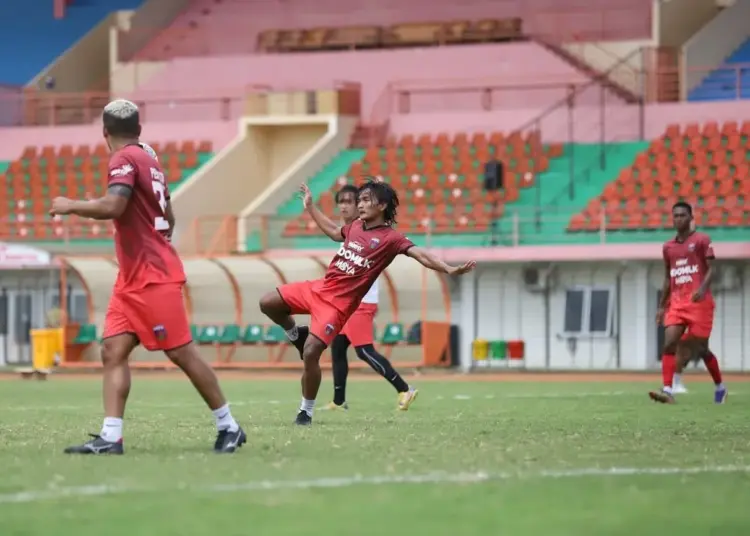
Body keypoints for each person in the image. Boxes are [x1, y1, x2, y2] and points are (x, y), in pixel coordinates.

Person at [50, 99, 246, 454]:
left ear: (104, 133)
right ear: (139, 130)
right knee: (113, 349)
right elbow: (168, 216)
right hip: (133, 277)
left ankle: (229, 425)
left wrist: (70, 205)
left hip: (152, 277)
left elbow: (114, 206)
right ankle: (111, 437)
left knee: (181, 353)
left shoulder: (123, 158)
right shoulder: (150, 159)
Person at [259, 179, 476, 425]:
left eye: (365, 200)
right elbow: (332, 231)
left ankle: (305, 411)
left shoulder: (391, 239)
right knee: (267, 302)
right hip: (318, 288)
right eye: (358, 200)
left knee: (312, 353)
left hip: (336, 306)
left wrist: (448, 268)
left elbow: (421, 254)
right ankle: (295, 333)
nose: (359, 205)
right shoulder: (355, 227)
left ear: (382, 205)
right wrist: (310, 207)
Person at [323, 184, 417, 412]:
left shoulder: (372, 232)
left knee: (364, 350)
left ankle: (405, 389)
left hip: (361, 302)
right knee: (337, 349)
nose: (346, 206)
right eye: (341, 202)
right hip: (346, 302)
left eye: (351, 201)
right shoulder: (352, 230)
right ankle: (338, 401)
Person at [649, 201, 727, 404]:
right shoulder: (668, 247)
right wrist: (661, 306)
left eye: (683, 215)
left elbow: (712, 269)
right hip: (677, 303)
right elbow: (668, 277)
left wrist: (702, 290)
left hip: (700, 304)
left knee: (701, 349)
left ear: (691, 218)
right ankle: (668, 390)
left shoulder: (701, 240)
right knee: (669, 343)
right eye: (675, 216)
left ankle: (720, 386)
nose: (678, 219)